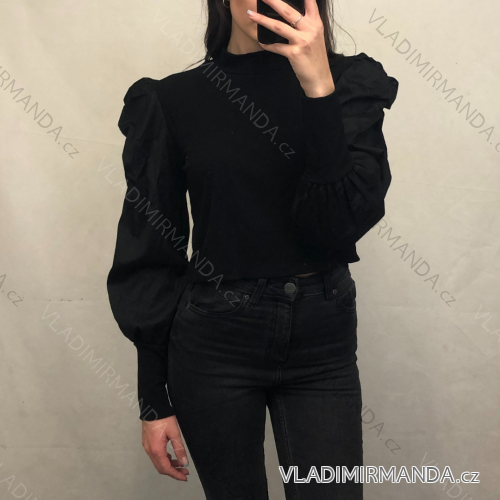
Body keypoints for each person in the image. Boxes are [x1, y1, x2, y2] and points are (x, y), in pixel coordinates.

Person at [107, 0, 398, 498]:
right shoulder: (173, 99)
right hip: (215, 340)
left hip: (321, 340)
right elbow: (152, 249)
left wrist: (318, 88)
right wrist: (152, 397)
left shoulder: (348, 85)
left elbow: (336, 226)